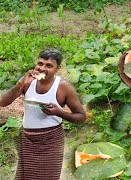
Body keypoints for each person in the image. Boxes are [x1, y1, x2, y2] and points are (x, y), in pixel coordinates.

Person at [0, 48, 86, 180]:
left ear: (58, 69)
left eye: (49, 66)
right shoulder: (28, 82)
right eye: (40, 64)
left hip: (50, 142)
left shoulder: (63, 87)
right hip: (27, 140)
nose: (42, 69)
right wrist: (20, 84)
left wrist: (59, 112)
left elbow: (81, 117)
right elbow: (3, 102)